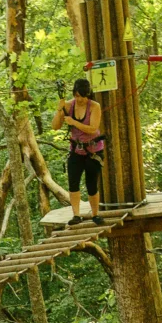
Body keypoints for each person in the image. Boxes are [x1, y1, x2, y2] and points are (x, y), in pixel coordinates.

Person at [50, 79, 106, 224]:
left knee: (91, 184)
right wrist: (59, 110)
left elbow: (93, 128)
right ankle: (76, 215)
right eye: (76, 96)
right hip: (76, 150)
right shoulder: (69, 105)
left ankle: (95, 214)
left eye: (82, 96)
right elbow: (55, 126)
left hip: (93, 151)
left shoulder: (94, 106)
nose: (79, 99)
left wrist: (74, 122)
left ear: (87, 94)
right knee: (73, 183)